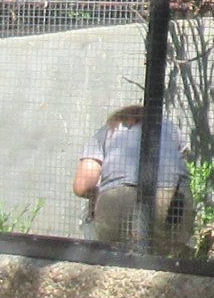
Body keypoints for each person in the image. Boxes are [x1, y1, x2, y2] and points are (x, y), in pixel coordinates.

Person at [74, 103, 186, 247]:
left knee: (114, 254)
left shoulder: (108, 131)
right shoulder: (170, 129)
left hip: (118, 196)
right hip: (175, 201)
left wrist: (99, 195)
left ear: (120, 119)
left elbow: (82, 186)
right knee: (163, 255)